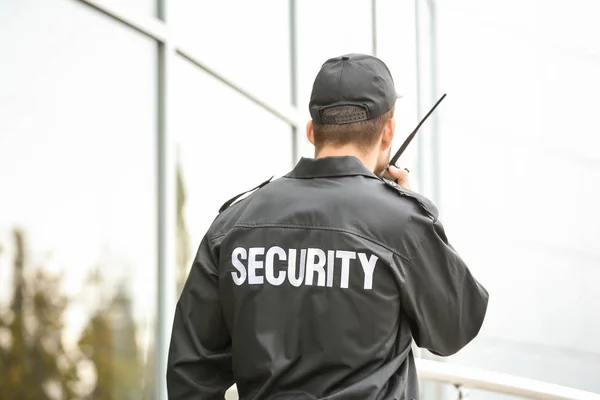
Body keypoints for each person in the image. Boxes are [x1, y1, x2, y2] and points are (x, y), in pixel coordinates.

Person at [166, 53, 489, 400]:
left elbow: (190, 375)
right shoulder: (402, 224)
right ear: (389, 131)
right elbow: (455, 328)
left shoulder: (232, 226)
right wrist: (414, 220)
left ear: (311, 131)